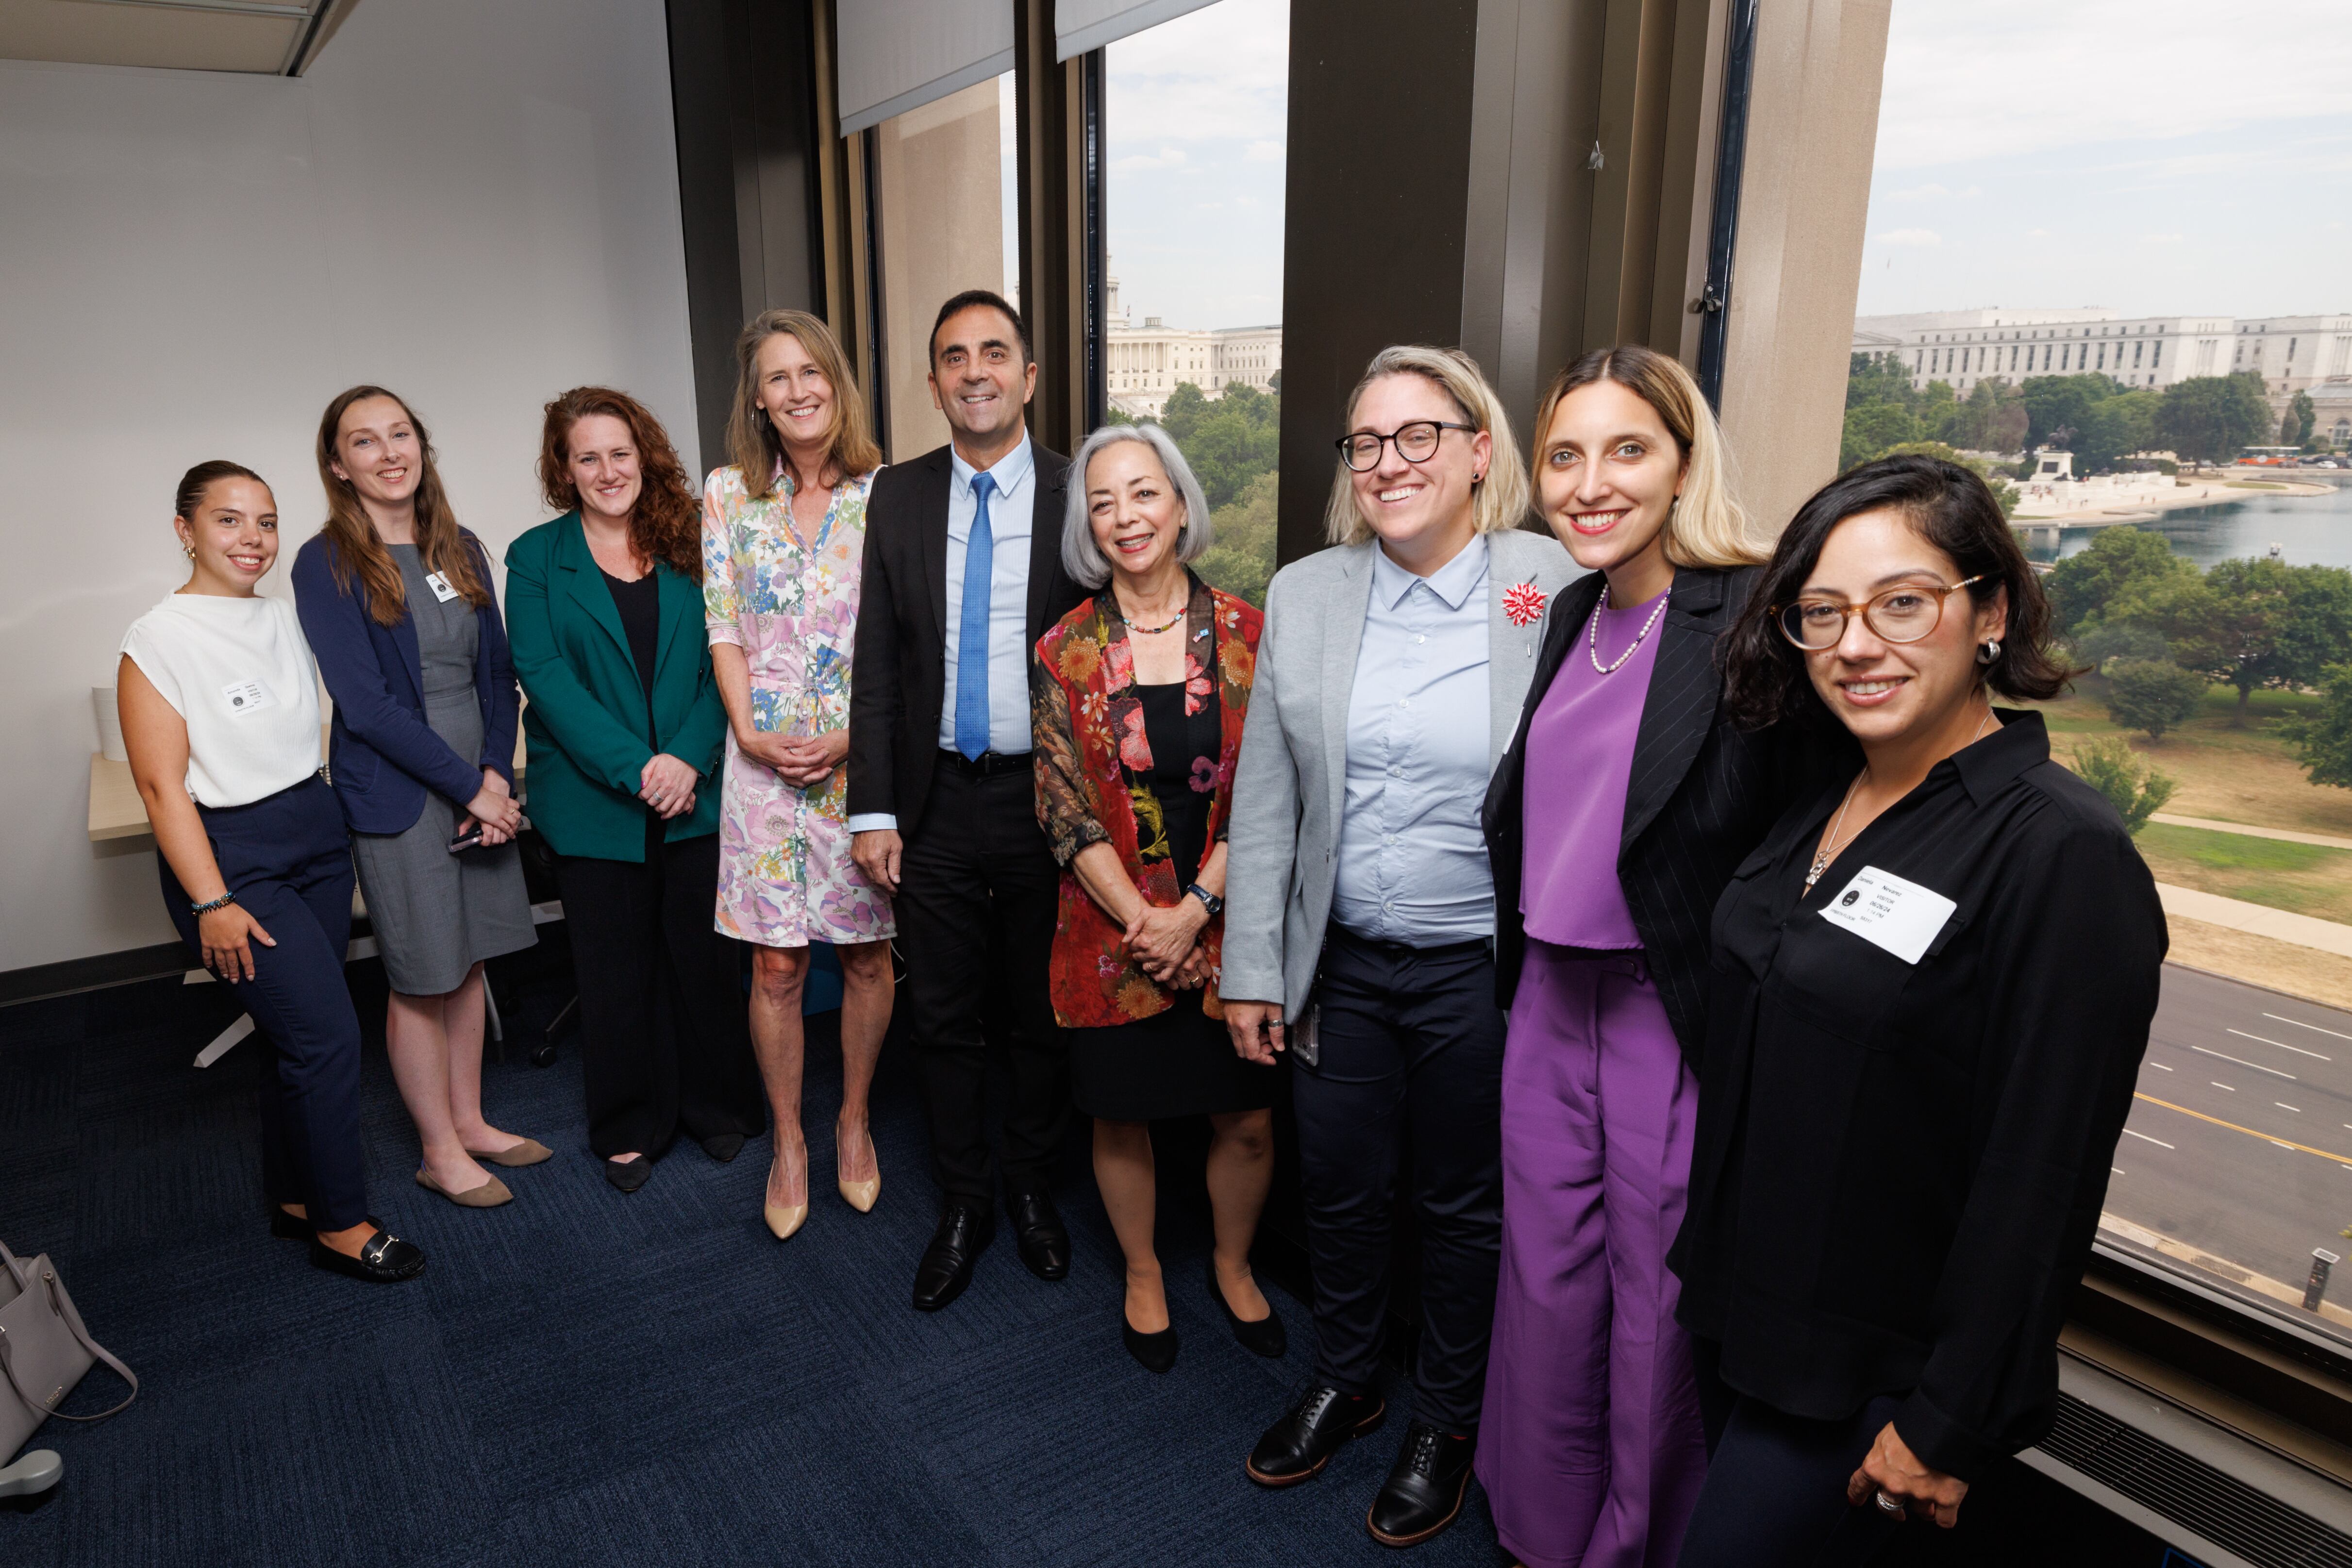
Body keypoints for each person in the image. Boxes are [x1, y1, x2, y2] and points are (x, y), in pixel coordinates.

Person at [1668, 455, 2166, 1565]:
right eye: (1821, 613)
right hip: (1743, 1314)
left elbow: (2042, 1172)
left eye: (1901, 602)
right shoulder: (1827, 793)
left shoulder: (2060, 856)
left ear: (1987, 611)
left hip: (1875, 1376)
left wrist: (1947, 1419)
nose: (1854, 643)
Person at [1476, 347, 1829, 1568]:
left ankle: (1635, 1547)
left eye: (1627, 449)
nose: (1589, 482)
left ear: (1684, 462)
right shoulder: (1573, 609)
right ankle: (1539, 1524)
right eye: (1564, 455)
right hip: (1543, 1001)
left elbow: (1807, 836)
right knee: (1547, 1286)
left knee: (1654, 1314)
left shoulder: (1749, 619)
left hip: (1664, 1017)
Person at [1223, 344, 1575, 1548]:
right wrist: (1253, 969)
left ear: (1480, 451)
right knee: (1339, 1186)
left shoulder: (1548, 581)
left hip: (1481, 966)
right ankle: (1348, 1373)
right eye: (1366, 443)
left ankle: (1445, 1414)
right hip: (1347, 963)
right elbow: (1268, 796)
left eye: (1418, 435)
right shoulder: (1308, 593)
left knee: (1465, 1205)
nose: (1388, 463)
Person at [119, 461, 424, 1284]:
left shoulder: (285, 616)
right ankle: (341, 1220)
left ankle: (295, 1195)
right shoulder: (157, 638)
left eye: (265, 521)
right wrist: (210, 899)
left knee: (291, 1039)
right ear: (185, 530)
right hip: (232, 861)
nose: (251, 539)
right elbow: (158, 787)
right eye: (228, 521)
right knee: (327, 1036)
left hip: (315, 838)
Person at [847, 289, 1089, 1312]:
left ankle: (1033, 1187)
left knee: (1037, 1012)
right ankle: (964, 1200)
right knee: (942, 1016)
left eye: (996, 353)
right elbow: (875, 664)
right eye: (955, 356)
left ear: (1029, 377)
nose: (976, 370)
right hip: (933, 800)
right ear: (934, 381)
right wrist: (871, 809)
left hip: (1046, 802)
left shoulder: (1080, 494)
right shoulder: (895, 497)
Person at [1031, 424, 1278, 1374]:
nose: (1125, 516)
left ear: (1179, 503)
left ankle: (1229, 1261)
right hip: (1112, 931)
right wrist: (1146, 922)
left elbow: (1272, 788)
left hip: (1228, 914)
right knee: (1120, 1114)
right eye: (1102, 502)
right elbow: (1057, 802)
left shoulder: (1253, 632)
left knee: (1246, 1115)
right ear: (1087, 528)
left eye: (1143, 493)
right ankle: (1140, 1269)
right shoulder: (1067, 647)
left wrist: (1197, 910)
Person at [504, 386, 766, 1194]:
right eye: (588, 456)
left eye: (621, 453)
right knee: (615, 971)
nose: (608, 470)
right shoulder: (535, 557)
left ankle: (718, 1105)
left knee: (705, 961)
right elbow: (546, 681)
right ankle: (627, 1123)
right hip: (594, 799)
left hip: (698, 788)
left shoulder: (693, 540)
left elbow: (724, 656)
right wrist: (641, 767)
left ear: (644, 457)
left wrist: (685, 758)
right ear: (564, 468)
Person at [293, 385, 543, 1212]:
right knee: (420, 972)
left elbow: (495, 670)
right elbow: (364, 707)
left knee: (467, 958)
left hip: (479, 777)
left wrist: (495, 774)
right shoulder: (324, 560)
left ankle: (470, 1120)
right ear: (340, 465)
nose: (389, 451)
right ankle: (437, 1151)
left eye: (400, 434)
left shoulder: (459, 544)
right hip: (401, 794)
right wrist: (471, 785)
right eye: (365, 442)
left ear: (421, 445)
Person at [703, 311, 896, 1238]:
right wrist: (745, 728)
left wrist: (857, 736)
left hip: (861, 765)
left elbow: (908, 638)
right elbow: (724, 624)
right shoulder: (726, 495)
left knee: (865, 953)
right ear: (757, 399)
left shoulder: (889, 492)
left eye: (811, 371)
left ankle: (853, 1118)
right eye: (777, 377)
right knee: (776, 964)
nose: (796, 390)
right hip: (762, 767)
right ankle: (790, 1137)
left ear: (836, 381)